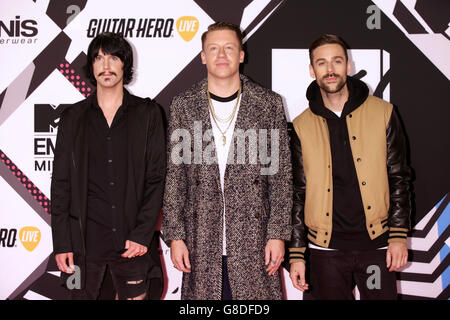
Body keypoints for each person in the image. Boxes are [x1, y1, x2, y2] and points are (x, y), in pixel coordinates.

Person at [162, 22, 292, 300]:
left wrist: (278, 233)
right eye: (214, 48)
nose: (222, 55)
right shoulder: (183, 105)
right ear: (203, 56)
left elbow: (280, 176)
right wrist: (175, 236)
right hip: (201, 240)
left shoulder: (267, 104)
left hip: (255, 240)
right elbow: (175, 177)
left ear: (242, 55)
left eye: (229, 48)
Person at [288, 34, 411, 300]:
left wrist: (399, 236)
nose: (330, 70)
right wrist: (297, 254)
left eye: (337, 61)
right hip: (323, 251)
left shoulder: (384, 112)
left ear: (349, 66)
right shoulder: (300, 126)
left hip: (377, 246)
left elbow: (399, 177)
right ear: (312, 70)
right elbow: (298, 192)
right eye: (321, 63)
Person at [51, 32, 166, 300]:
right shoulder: (72, 118)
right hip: (84, 245)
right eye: (99, 58)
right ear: (91, 66)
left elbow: (157, 179)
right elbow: (61, 184)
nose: (106, 65)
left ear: (124, 64)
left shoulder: (148, 114)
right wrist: (62, 242)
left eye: (113, 57)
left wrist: (142, 234)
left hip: (132, 244)